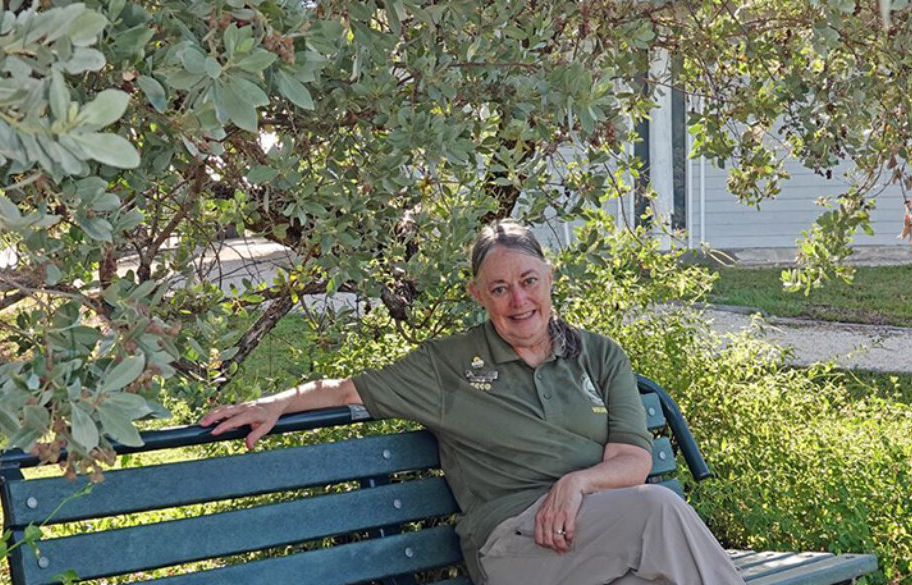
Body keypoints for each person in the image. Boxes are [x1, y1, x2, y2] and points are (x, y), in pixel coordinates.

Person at [200, 220, 746, 585]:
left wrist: (576, 483)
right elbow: (347, 390)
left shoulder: (598, 355)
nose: (519, 300)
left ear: (550, 279)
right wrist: (273, 402)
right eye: (500, 288)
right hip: (514, 546)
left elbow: (633, 460)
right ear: (478, 295)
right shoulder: (449, 366)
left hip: (595, 533)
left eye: (529, 281)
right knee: (660, 508)